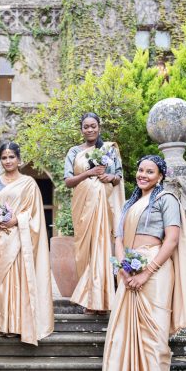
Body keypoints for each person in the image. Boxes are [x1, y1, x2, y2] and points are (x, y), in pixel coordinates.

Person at [94, 155, 186, 371]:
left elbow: (171, 240)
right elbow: (117, 239)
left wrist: (147, 272)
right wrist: (122, 270)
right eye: (140, 170)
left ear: (161, 175)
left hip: (156, 272)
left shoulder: (167, 200)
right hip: (127, 270)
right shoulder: (129, 204)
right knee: (120, 338)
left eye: (150, 171)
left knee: (152, 340)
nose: (143, 175)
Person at [0, 142, 54, 344]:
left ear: (19, 159)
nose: (8, 161)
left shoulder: (29, 182)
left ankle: (17, 325)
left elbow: (34, 212)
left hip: (18, 237)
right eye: (4, 157)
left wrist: (16, 220)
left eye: (12, 156)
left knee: (16, 282)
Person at [63, 112, 125, 312]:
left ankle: (101, 299)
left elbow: (118, 176)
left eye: (93, 126)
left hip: (103, 204)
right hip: (82, 206)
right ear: (81, 129)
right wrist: (88, 173)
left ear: (99, 126)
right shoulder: (74, 151)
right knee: (84, 250)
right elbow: (68, 181)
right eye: (85, 126)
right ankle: (89, 296)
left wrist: (109, 177)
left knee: (102, 246)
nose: (89, 129)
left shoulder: (109, 149)